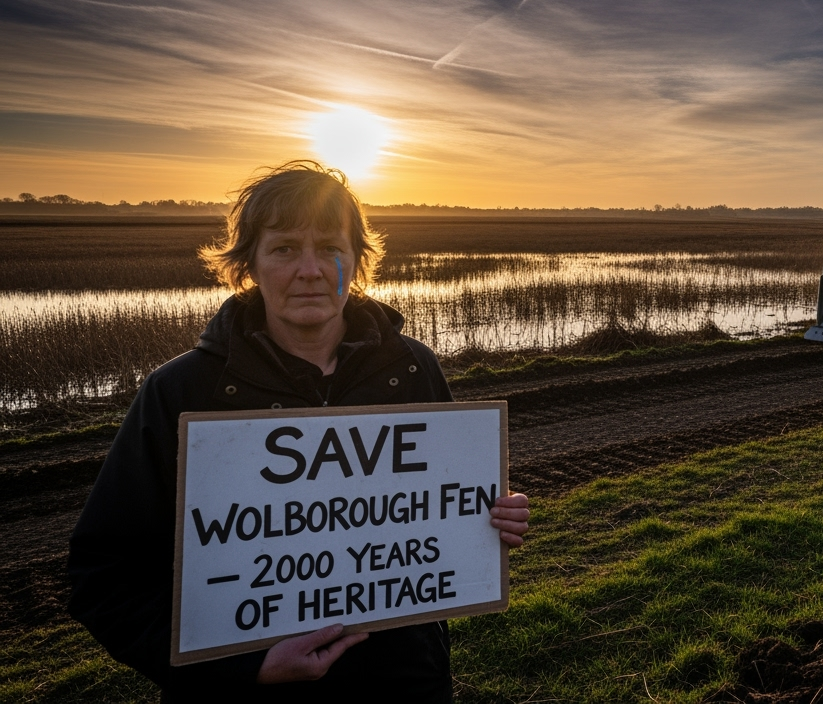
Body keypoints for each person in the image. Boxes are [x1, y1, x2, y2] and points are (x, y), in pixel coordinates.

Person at [67, 161, 530, 702]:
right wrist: (245, 669)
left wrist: (487, 517)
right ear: (249, 264)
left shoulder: (411, 367)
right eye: (284, 248)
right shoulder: (182, 392)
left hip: (405, 682)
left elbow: (434, 509)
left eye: (330, 248)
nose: (310, 269)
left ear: (356, 261)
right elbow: (104, 578)